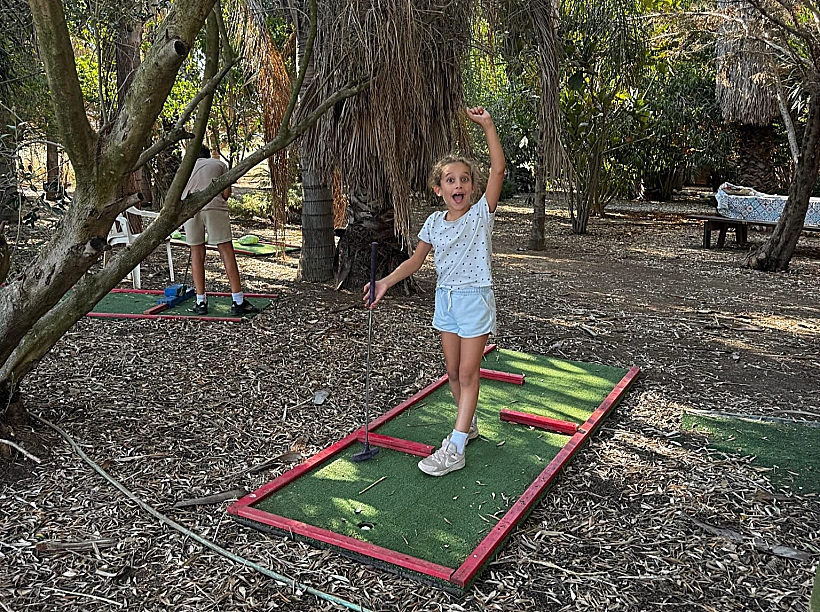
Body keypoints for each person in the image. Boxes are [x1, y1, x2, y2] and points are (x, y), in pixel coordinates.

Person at [364, 107, 505, 476]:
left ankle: (455, 446)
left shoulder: (480, 215)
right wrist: (384, 282)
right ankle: (468, 423)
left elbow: (499, 170)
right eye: (449, 180)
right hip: (445, 299)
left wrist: (488, 125)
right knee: (452, 373)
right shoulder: (432, 223)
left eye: (464, 180)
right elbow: (414, 262)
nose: (458, 186)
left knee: (468, 372)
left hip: (474, 297)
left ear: (472, 187)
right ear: (438, 188)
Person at [181, 145, 258, 316]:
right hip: (213, 206)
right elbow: (225, 194)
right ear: (209, 156)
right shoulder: (219, 164)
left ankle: (201, 301)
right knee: (226, 251)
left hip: (189, 209)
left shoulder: (184, 167)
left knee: (196, 252)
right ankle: (238, 301)